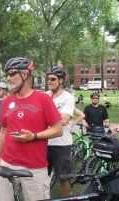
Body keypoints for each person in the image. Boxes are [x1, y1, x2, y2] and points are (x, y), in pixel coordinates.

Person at [0, 57, 63, 201]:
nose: (8, 78)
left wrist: (34, 136)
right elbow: (3, 131)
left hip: (35, 169)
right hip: (8, 164)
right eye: (7, 74)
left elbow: (58, 129)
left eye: (12, 73)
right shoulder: (7, 101)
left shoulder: (43, 99)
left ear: (24, 75)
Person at [46, 66, 75, 197]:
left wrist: (44, 118)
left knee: (63, 177)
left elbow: (63, 120)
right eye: (48, 79)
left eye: (53, 79)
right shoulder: (44, 96)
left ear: (61, 80)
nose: (50, 81)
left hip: (61, 144)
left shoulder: (68, 98)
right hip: (44, 143)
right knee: (41, 177)